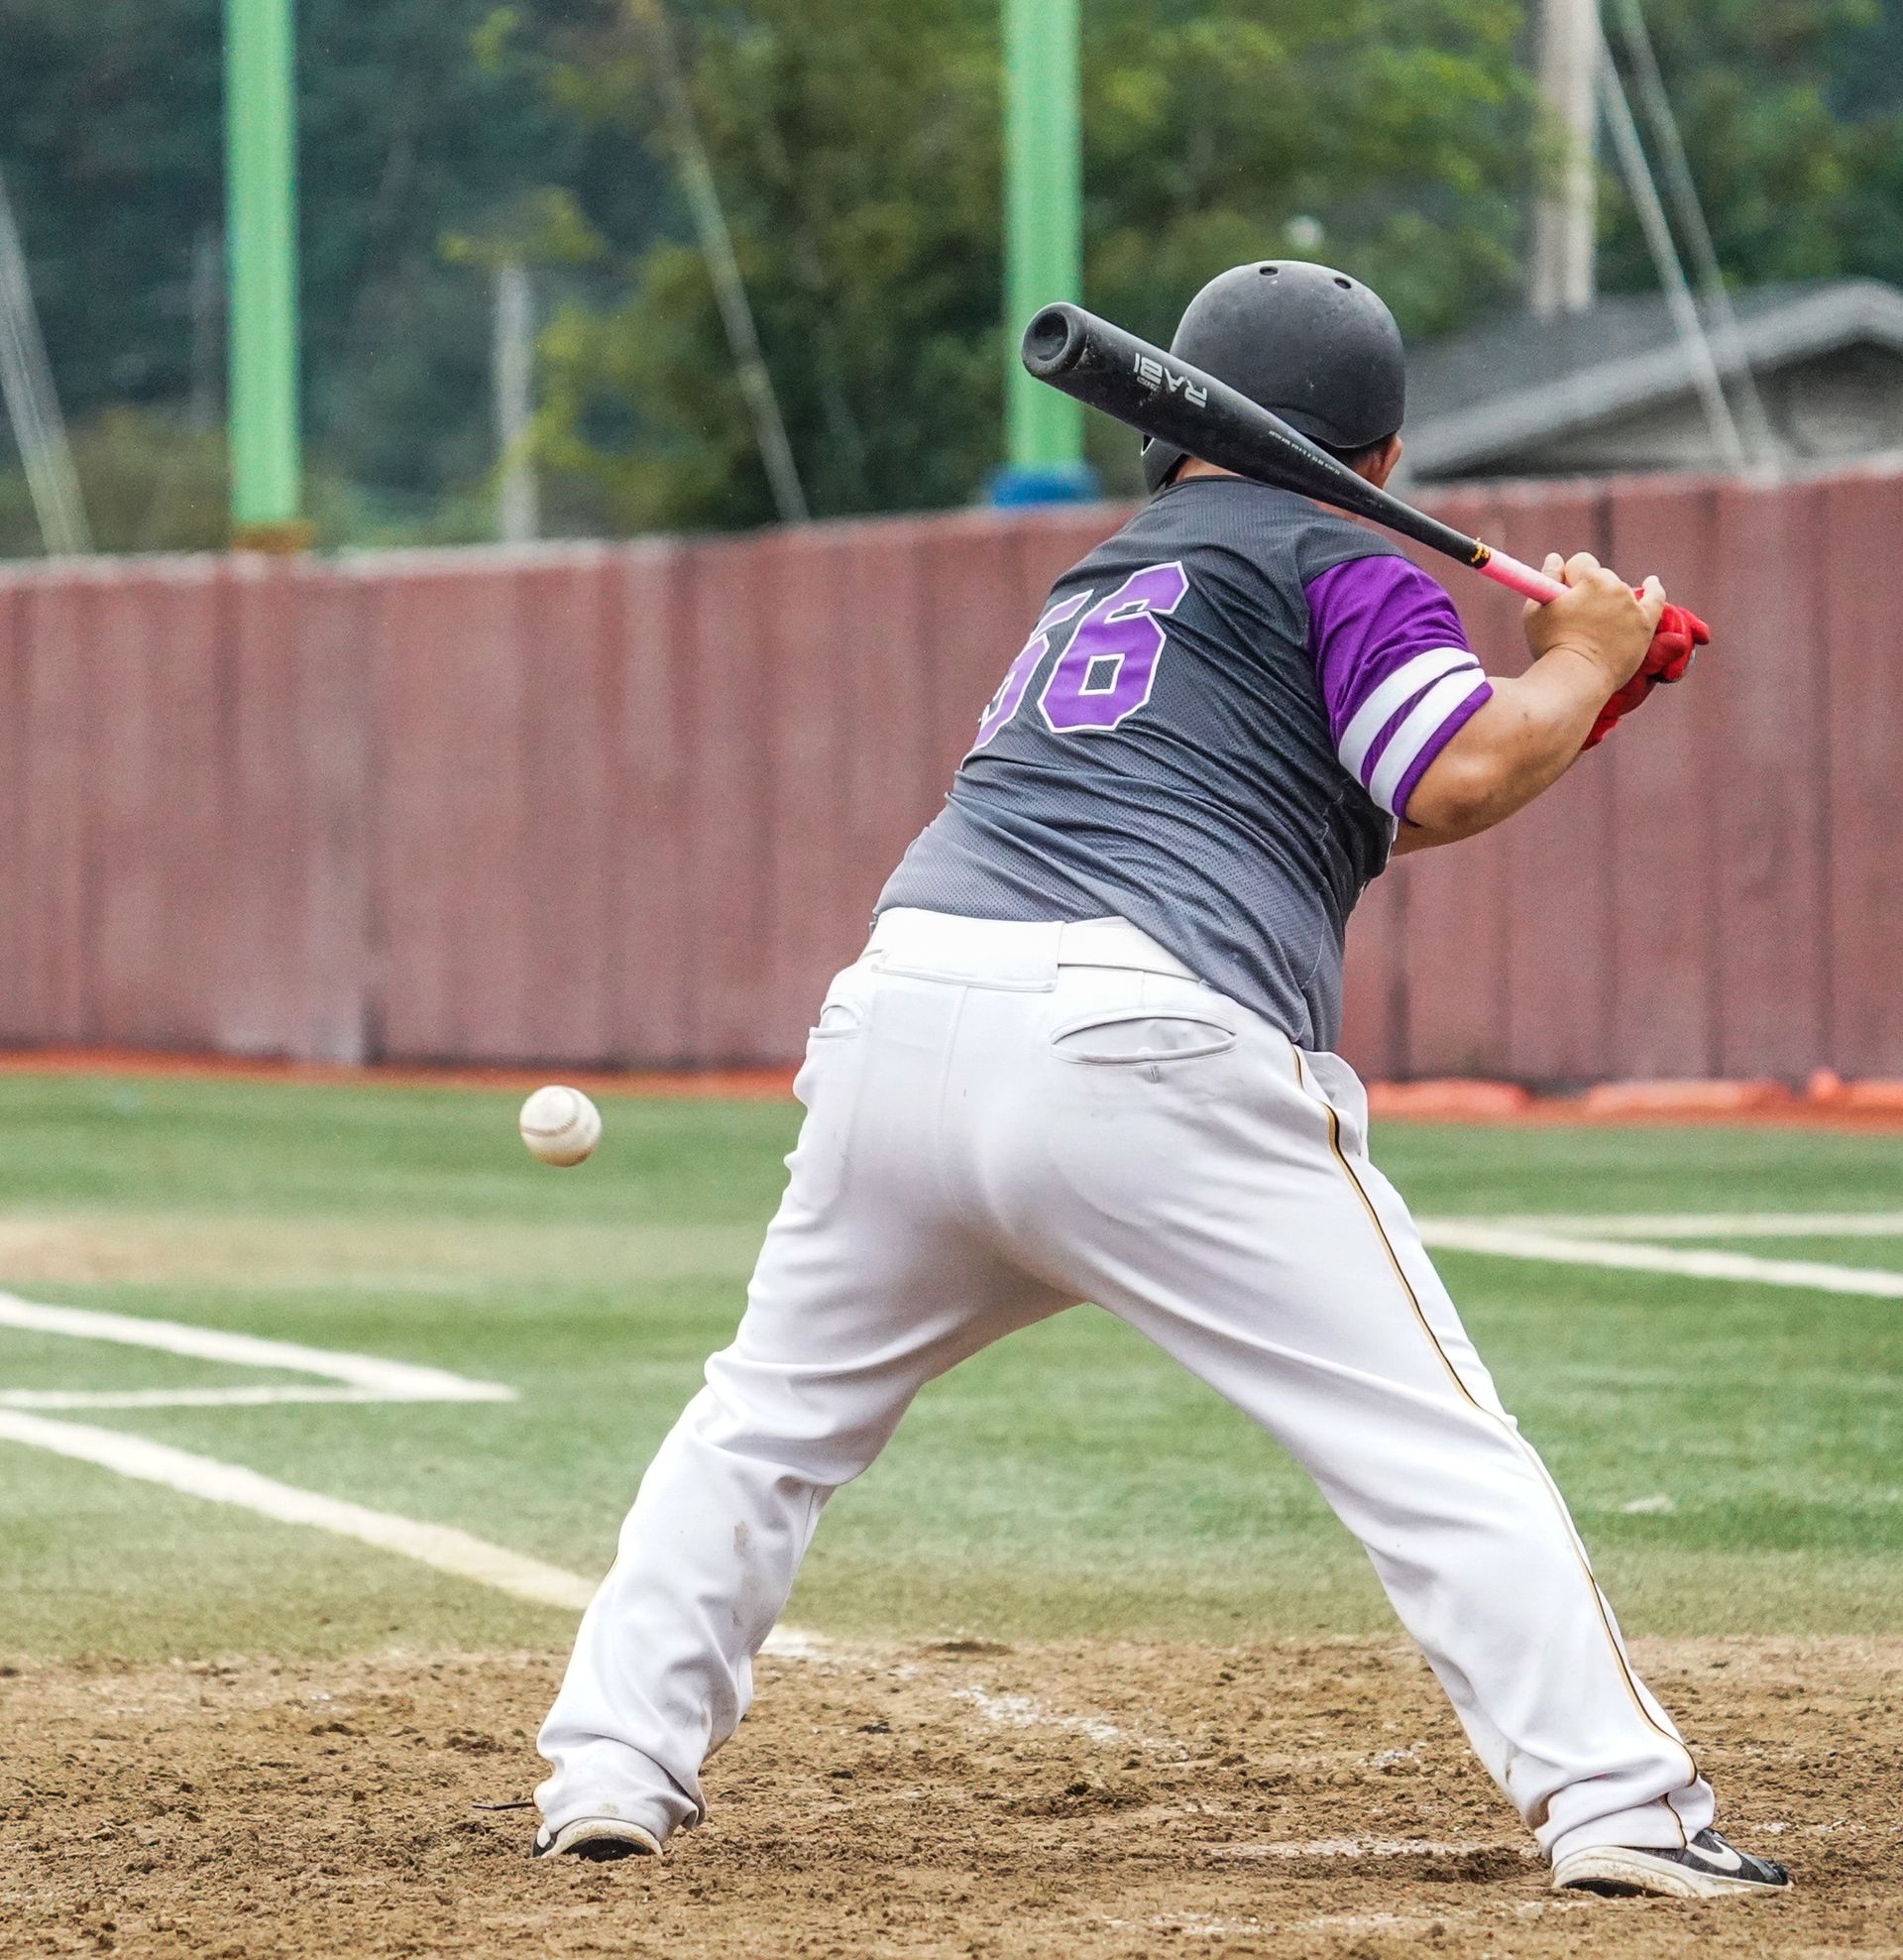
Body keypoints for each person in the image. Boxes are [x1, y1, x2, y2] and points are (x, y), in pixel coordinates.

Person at [532, 261, 1788, 1900]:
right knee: (1428, 1444)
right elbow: (1458, 773)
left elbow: (1375, 801)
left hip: (901, 1017)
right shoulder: (1345, 555)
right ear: (1381, 453)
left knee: (764, 1420)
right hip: (1147, 1045)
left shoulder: (1102, 578)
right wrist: (1585, 653)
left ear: (1168, 431)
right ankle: (1624, 1805)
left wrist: (1581, 685)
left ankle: (611, 1765)